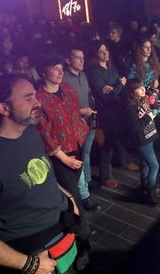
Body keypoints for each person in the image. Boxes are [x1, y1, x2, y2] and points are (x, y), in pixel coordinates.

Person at [0, 74, 82, 273]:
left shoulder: (30, 133)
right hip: (33, 251)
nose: (37, 101)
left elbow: (42, 173)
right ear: (3, 108)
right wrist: (30, 265)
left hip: (62, 232)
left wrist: (67, 198)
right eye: (28, 97)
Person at [35, 53, 94, 265]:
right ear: (43, 71)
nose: (61, 72)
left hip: (77, 147)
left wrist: (83, 135)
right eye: (55, 68)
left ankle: (79, 235)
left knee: (75, 193)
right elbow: (44, 131)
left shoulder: (68, 89)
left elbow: (72, 115)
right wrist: (63, 158)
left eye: (61, 67)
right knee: (73, 198)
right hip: (61, 156)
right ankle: (84, 243)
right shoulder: (38, 98)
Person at [63, 46, 101, 208]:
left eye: (83, 57)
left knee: (86, 153)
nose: (81, 60)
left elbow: (87, 95)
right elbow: (63, 106)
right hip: (74, 124)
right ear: (68, 60)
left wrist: (91, 109)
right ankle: (83, 194)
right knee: (78, 156)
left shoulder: (84, 75)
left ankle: (88, 179)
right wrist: (79, 112)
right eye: (77, 57)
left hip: (88, 121)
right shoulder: (63, 78)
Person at [87, 41, 129, 188]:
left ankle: (123, 161)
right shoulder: (94, 71)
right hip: (105, 110)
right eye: (100, 51)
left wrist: (114, 88)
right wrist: (119, 85)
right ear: (95, 54)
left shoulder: (111, 67)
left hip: (117, 108)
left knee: (119, 136)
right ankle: (105, 175)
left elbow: (116, 91)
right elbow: (106, 96)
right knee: (106, 142)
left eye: (106, 50)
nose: (104, 53)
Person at [122, 78, 160, 206]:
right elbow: (134, 126)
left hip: (148, 135)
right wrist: (148, 118)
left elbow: (147, 112)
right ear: (131, 91)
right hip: (141, 140)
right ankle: (151, 194)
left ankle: (144, 186)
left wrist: (153, 110)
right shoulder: (130, 107)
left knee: (146, 163)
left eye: (142, 86)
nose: (142, 89)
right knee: (154, 165)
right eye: (138, 88)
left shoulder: (141, 100)